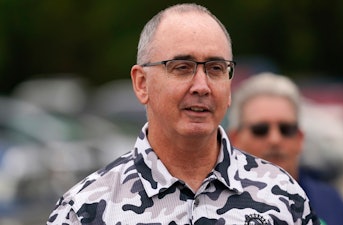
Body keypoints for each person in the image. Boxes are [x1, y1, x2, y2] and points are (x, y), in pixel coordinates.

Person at [47, 4, 320, 224]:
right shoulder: (84, 211)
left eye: (215, 68)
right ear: (142, 83)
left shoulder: (283, 197)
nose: (202, 86)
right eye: (182, 67)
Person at [227, 72, 343, 225]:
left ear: (300, 138)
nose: (275, 139)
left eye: (286, 129)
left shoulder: (331, 203)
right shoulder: (211, 206)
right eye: (261, 129)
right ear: (234, 139)